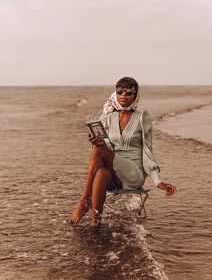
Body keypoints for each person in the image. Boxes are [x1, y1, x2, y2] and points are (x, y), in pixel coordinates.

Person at [69, 77, 177, 228]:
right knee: (101, 173)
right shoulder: (108, 117)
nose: (123, 95)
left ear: (136, 95)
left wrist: (158, 180)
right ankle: (95, 224)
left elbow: (147, 150)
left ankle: (85, 199)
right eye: (120, 91)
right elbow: (108, 148)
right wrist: (101, 143)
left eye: (129, 92)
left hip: (133, 173)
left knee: (99, 151)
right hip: (115, 174)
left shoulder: (142, 117)